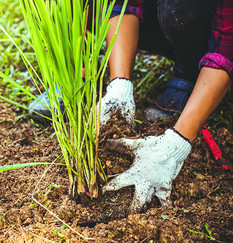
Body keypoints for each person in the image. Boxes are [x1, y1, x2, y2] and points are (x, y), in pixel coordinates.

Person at [28, 0, 233, 212]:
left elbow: (227, 45)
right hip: (154, 19)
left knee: (179, 6)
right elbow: (124, 3)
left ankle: (188, 73)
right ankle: (76, 71)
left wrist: (177, 143)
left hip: (199, 24)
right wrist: (120, 83)